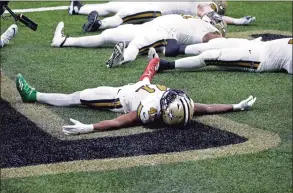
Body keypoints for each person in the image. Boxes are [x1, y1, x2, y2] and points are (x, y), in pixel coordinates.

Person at [16, 48, 256, 135]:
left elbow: (119, 121)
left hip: (118, 97)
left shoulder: (149, 111)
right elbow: (208, 108)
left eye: (172, 98)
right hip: (140, 86)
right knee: (149, 75)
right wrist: (235, 106)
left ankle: (33, 96)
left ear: (164, 111)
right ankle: (154, 60)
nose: (174, 94)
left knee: (75, 97)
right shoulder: (174, 105)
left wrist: (89, 127)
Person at [51, 15, 223, 66]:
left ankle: (121, 59)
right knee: (107, 36)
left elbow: (213, 39)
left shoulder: (207, 30)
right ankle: (64, 41)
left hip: (161, 32)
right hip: (149, 26)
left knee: (136, 44)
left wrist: (220, 38)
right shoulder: (196, 21)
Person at [68, 1, 255, 32]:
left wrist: (237, 21)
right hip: (154, 4)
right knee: (115, 6)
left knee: (124, 15)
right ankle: (78, 9)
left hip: (158, 11)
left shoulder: (206, 5)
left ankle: (99, 24)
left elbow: (211, 14)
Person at [153, 38, 292, 74]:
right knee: (218, 43)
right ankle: (178, 49)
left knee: (211, 56)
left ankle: (167, 65)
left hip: (258, 59)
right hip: (260, 45)